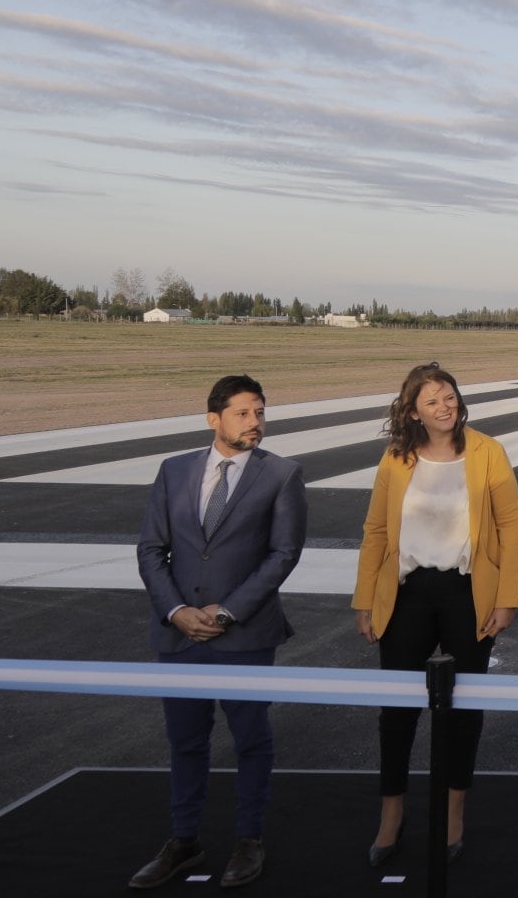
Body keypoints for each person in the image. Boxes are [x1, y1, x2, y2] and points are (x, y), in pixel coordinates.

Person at [130, 375, 308, 890]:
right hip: (179, 633)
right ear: (214, 419)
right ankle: (184, 840)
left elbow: (283, 555)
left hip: (246, 636)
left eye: (260, 412)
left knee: (251, 740)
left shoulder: (282, 474)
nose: (255, 422)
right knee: (185, 742)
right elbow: (150, 550)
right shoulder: (174, 470)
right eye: (243, 413)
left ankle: (248, 840)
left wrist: (227, 613)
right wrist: (177, 611)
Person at [351, 363, 518, 867]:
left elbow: (511, 527)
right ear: (413, 412)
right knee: (397, 711)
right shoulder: (395, 458)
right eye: (431, 401)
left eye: (448, 396)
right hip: (406, 594)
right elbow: (376, 531)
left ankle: (453, 812)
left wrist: (507, 598)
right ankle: (391, 814)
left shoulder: (488, 452)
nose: (444, 406)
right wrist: (364, 600)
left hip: (467, 591)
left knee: (463, 710)